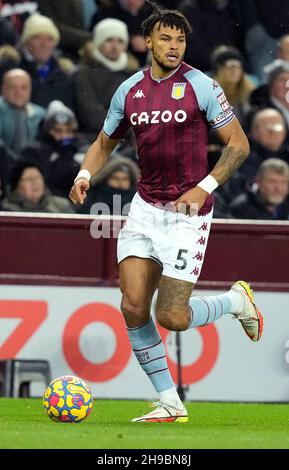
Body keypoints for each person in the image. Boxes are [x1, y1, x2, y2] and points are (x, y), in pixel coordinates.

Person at [69, 1, 264, 423]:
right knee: (132, 307)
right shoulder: (130, 90)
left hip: (188, 213)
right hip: (145, 208)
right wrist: (85, 173)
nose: (174, 47)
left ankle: (235, 301)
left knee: (172, 316)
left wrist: (204, 187)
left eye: (180, 40)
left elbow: (240, 145)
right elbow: (105, 142)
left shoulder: (202, 86)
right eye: (166, 39)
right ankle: (170, 402)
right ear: (149, 43)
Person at [73, 18, 139, 140]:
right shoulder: (83, 73)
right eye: (109, 40)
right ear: (98, 42)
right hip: (95, 139)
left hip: (130, 139)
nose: (115, 46)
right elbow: (91, 117)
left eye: (120, 41)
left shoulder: (133, 73)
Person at [21, 100, 86, 199]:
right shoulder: (32, 153)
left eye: (68, 131)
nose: (64, 136)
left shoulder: (80, 152)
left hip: (72, 205)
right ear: (47, 130)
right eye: (58, 130)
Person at [19, 13, 74, 108]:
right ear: (26, 41)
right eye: (37, 38)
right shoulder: (12, 69)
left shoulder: (63, 74)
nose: (44, 44)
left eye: (49, 39)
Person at [0, 68, 45, 157]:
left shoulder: (40, 114)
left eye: (23, 88)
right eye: (12, 87)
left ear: (30, 90)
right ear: (3, 89)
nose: (18, 93)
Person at [1, 161, 74, 213]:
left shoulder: (62, 206)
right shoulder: (7, 210)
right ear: (16, 185)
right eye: (29, 179)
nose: (35, 183)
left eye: (37, 177)